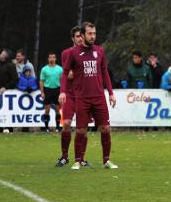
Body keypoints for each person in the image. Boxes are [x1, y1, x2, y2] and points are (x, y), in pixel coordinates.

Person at [59, 22, 117, 170]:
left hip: (98, 97)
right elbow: (65, 73)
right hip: (82, 97)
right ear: (83, 35)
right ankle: (77, 160)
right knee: (80, 130)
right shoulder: (73, 53)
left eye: (94, 33)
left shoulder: (99, 51)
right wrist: (63, 91)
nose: (93, 36)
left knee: (105, 128)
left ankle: (106, 161)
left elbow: (104, 72)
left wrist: (110, 93)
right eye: (90, 34)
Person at [56, 26, 83, 167]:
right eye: (77, 36)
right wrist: (63, 91)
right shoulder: (66, 53)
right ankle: (64, 156)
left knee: (81, 128)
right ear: (72, 38)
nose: (80, 38)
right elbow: (68, 74)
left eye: (81, 36)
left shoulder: (89, 53)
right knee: (66, 123)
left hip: (84, 95)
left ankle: (81, 158)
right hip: (70, 94)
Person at [39, 52, 63, 132]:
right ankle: (46, 128)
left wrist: (63, 91)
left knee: (57, 109)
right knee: (47, 109)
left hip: (57, 90)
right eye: (50, 57)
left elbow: (63, 81)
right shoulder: (44, 69)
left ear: (55, 59)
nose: (52, 59)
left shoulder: (60, 69)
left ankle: (57, 127)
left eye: (53, 57)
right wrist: (42, 92)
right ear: (48, 59)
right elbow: (41, 81)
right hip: (47, 90)